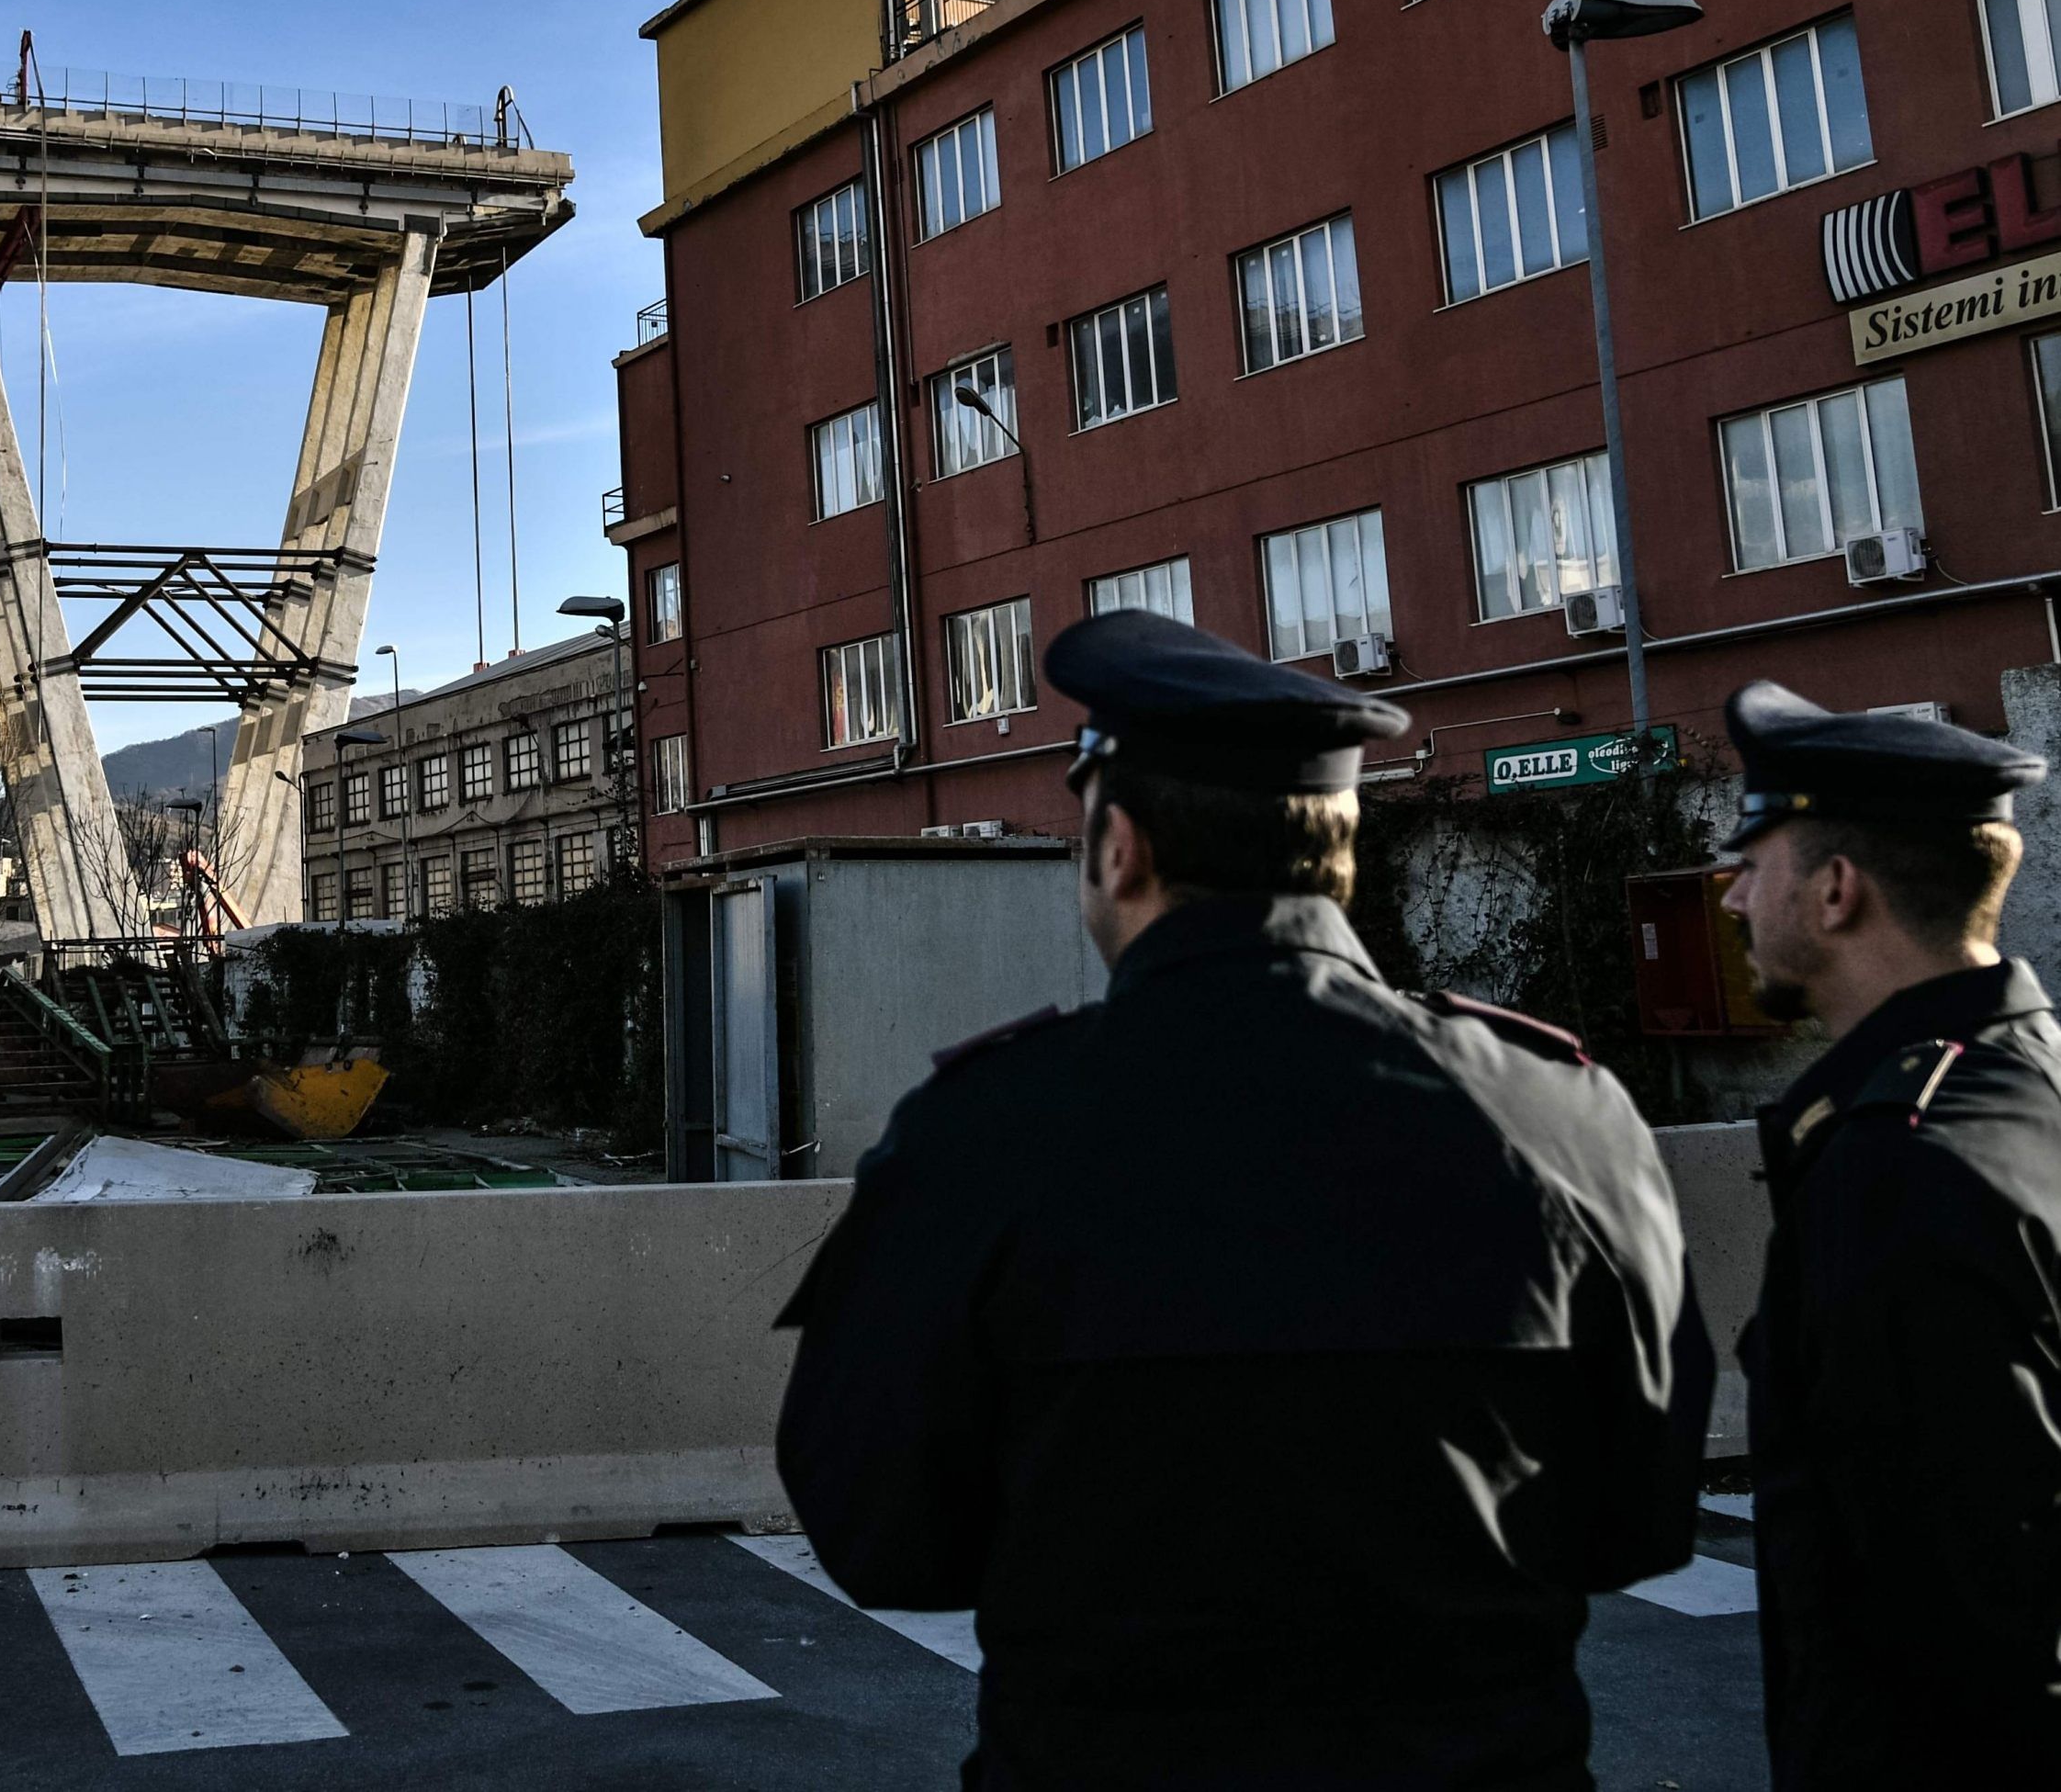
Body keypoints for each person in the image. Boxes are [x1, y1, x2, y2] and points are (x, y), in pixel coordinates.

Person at [776, 611, 1711, 1790]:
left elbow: (878, 1532)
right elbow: (1637, 1513)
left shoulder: (983, 1130)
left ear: (1118, 846)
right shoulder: (1562, 1114)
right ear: (1338, 850)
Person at [1715, 680, 2061, 1786]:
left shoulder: (1899, 1164)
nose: (1727, 897)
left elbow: (1967, 1612)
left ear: (1832, 889)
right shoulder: (2025, 1081)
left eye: (1752, 862)